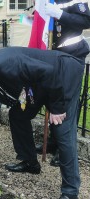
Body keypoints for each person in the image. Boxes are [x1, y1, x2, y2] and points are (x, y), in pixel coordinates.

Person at [0, 47, 84, 199]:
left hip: (62, 74)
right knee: (18, 115)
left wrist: (57, 108)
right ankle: (30, 162)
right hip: (37, 85)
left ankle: (70, 192)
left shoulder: (6, 63)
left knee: (62, 131)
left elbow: (50, 72)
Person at [34, 0, 90, 167]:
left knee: (67, 105)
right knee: (54, 100)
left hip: (72, 57)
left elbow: (86, 21)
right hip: (54, 56)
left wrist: (59, 14)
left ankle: (63, 149)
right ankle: (53, 141)